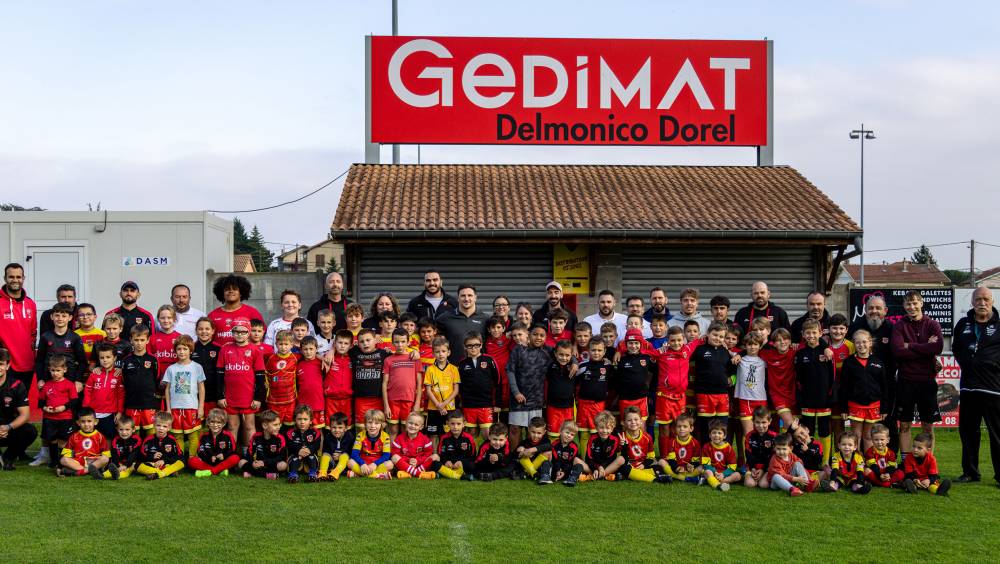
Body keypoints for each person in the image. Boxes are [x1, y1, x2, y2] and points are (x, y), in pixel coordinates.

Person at [953, 286, 1000, 484]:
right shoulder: (963, 323)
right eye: (978, 299)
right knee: (968, 432)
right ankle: (971, 472)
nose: (982, 303)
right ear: (972, 302)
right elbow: (956, 348)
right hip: (968, 388)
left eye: (986, 299)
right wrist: (967, 361)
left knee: (997, 434)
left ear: (992, 302)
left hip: (993, 389)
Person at [891, 291, 943, 456]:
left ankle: (928, 464)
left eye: (914, 303)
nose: (911, 307)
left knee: (927, 426)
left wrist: (910, 346)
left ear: (921, 303)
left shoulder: (933, 324)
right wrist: (924, 347)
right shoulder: (900, 325)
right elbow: (897, 351)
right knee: (904, 425)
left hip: (927, 382)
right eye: (908, 304)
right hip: (906, 381)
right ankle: (906, 464)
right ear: (904, 306)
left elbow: (937, 348)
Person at [849, 295, 898, 448]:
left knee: (888, 423)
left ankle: (890, 459)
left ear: (885, 310)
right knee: (859, 431)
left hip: (886, 386)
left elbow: (903, 350)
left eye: (878, 308)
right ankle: (860, 462)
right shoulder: (855, 326)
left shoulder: (893, 329)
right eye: (870, 308)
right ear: (865, 310)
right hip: (860, 389)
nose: (874, 311)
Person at [216, 318, 266, 447]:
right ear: (232, 333)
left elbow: (260, 376)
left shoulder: (255, 350)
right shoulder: (225, 349)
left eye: (243, 332)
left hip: (249, 397)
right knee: (232, 426)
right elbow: (219, 375)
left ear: (248, 332)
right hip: (230, 397)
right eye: (236, 331)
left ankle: (250, 454)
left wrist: (258, 397)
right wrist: (220, 396)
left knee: (249, 426)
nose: (239, 334)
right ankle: (230, 453)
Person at [796, 319, 835, 465]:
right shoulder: (800, 354)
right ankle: (810, 460)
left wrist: (831, 394)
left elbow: (833, 376)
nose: (811, 335)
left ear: (820, 333)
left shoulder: (827, 352)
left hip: (824, 399)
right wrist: (800, 396)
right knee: (808, 431)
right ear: (803, 334)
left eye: (814, 332)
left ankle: (825, 462)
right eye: (808, 333)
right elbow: (797, 378)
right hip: (807, 399)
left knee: (825, 430)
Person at [506, 324, 551, 452]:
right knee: (515, 430)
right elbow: (510, 371)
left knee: (534, 432)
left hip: (536, 399)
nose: (538, 338)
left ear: (545, 337)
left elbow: (566, 353)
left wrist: (574, 363)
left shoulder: (548, 351)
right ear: (529, 335)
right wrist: (516, 392)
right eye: (535, 334)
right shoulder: (518, 350)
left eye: (542, 335)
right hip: (519, 398)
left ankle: (531, 460)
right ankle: (515, 460)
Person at [840, 329, 886, 451]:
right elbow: (843, 386)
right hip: (855, 405)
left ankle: (869, 463)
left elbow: (884, 386)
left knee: (868, 436)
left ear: (870, 342)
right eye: (858, 342)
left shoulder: (878, 362)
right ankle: (857, 463)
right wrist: (843, 408)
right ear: (854, 344)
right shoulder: (849, 362)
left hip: (874, 405)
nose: (861, 345)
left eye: (864, 342)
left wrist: (884, 407)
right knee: (856, 436)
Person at [162, 335, 206, 460]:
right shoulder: (171, 369)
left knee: (193, 435)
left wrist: (201, 407)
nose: (182, 352)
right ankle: (179, 459)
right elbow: (167, 389)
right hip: (175, 408)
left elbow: (201, 388)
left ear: (190, 350)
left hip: (192, 407)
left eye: (185, 349)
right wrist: (168, 409)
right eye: (179, 349)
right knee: (177, 436)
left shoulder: (197, 367)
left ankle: (193, 458)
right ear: (175, 351)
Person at [691, 323, 735, 441]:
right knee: (705, 428)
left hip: (722, 394)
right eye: (715, 335)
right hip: (704, 394)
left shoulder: (726, 352)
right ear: (708, 334)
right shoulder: (699, 350)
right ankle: (705, 455)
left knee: (722, 427)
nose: (718, 338)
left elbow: (733, 370)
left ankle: (721, 455)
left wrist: (732, 379)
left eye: (721, 337)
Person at [652, 327, 691, 454]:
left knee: (677, 428)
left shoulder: (687, 350)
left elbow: (701, 340)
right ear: (667, 341)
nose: (676, 343)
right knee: (664, 428)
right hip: (664, 397)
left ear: (684, 339)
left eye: (679, 340)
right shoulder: (661, 353)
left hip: (680, 398)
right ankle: (664, 457)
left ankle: (675, 456)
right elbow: (643, 349)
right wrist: (620, 349)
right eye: (673, 340)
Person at [35, 301, 88, 389]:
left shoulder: (75, 337)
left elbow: (82, 362)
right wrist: (40, 379)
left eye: (64, 316)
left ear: (70, 318)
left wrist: (78, 380)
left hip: (70, 380)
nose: (60, 318)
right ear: (52, 317)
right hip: (48, 380)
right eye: (57, 315)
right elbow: (39, 361)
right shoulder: (45, 337)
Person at [0, 348, 37, 469]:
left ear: (7, 365)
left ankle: (8, 457)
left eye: (1, 364)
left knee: (29, 431)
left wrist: (8, 427)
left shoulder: (16, 385)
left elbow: (25, 415)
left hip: (8, 429)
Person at [120, 325, 159, 439]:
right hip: (132, 403)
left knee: (151, 433)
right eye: (136, 340)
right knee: (133, 434)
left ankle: (149, 455)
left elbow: (156, 377)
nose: (139, 343)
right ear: (131, 340)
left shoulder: (153, 360)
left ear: (148, 340)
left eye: (142, 340)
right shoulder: (126, 360)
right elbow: (124, 379)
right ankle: (135, 455)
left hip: (149, 403)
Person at [381, 329, 422, 437]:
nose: (400, 345)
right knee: (393, 430)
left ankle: (404, 453)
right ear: (392, 342)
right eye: (397, 342)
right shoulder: (388, 360)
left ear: (408, 342)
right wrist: (386, 406)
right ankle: (391, 454)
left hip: (409, 400)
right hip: (392, 400)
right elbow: (384, 383)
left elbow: (419, 383)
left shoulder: (414, 358)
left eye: (403, 342)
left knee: (406, 430)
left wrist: (417, 403)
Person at [39, 355, 78, 469]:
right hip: (50, 419)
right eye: (52, 370)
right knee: (52, 440)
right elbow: (41, 401)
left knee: (64, 441)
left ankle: (64, 461)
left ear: (64, 370)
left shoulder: (69, 384)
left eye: (58, 370)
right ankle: (53, 461)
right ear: (49, 370)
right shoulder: (47, 385)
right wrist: (45, 408)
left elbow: (74, 401)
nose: (55, 373)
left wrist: (64, 407)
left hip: (65, 418)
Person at [458, 332, 497, 442]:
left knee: (487, 433)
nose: (473, 348)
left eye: (476, 345)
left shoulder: (489, 360)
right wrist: (461, 401)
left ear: (481, 344)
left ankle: (487, 456)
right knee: (471, 433)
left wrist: (497, 403)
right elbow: (459, 385)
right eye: (469, 346)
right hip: (469, 404)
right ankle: (471, 456)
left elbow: (497, 381)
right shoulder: (462, 363)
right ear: (465, 347)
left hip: (486, 403)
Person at [436, 284, 488, 364]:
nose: (466, 299)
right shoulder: (445, 318)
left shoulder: (485, 319)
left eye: (470, 295)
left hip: (478, 369)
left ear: (475, 298)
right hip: (453, 369)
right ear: (458, 298)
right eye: (463, 296)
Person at [576, 338, 613, 448]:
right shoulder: (582, 366)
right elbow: (574, 383)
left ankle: (595, 459)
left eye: (599, 350)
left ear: (604, 351)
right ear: (588, 350)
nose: (596, 353)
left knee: (597, 433)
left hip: (598, 405)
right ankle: (584, 460)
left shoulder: (608, 366)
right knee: (583, 433)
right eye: (593, 350)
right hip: (583, 405)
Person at [208, 275, 264, 346]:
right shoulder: (213, 315)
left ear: (241, 293)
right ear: (222, 293)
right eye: (227, 289)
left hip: (245, 355)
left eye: (234, 289)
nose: (231, 291)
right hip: (219, 355)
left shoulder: (252, 313)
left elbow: (261, 335)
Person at [83, 343, 124, 439]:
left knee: (109, 437)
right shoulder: (94, 374)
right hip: (93, 414)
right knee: (92, 437)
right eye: (102, 358)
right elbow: (87, 392)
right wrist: (86, 410)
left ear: (114, 358)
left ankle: (108, 454)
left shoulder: (118, 375)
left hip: (109, 414)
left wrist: (120, 412)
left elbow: (121, 395)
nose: (105, 360)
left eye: (108, 357)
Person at [57, 407, 110, 478]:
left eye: (89, 421)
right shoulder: (74, 436)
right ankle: (90, 471)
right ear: (78, 423)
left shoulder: (100, 436)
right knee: (64, 460)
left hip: (93, 461)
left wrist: (102, 462)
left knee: (105, 458)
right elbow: (66, 453)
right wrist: (59, 467)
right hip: (78, 462)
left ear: (95, 422)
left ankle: (80, 472)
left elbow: (106, 453)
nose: (86, 424)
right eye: (83, 421)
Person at [734, 333, 768, 436]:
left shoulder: (764, 360)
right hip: (745, 399)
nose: (752, 347)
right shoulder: (739, 359)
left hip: (760, 398)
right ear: (745, 346)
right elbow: (725, 349)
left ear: (760, 346)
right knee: (748, 433)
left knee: (762, 431)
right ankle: (748, 452)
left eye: (755, 344)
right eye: (749, 344)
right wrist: (739, 354)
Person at [761, 328, 796, 428]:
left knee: (791, 427)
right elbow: (750, 349)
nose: (782, 342)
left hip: (794, 395)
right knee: (791, 425)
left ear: (790, 341)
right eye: (778, 340)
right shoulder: (767, 354)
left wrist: (825, 348)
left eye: (785, 339)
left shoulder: (795, 352)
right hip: (778, 396)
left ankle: (786, 444)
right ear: (774, 343)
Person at [189, 408, 240, 478]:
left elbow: (232, 450)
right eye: (212, 422)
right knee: (192, 460)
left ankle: (210, 471)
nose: (215, 425)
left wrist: (224, 455)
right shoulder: (203, 436)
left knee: (235, 458)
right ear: (208, 423)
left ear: (224, 424)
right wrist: (209, 458)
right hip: (208, 462)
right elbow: (200, 451)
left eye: (218, 422)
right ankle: (219, 471)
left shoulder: (228, 435)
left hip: (223, 462)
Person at [238, 410, 287, 479]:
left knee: (283, 465)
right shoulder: (256, 437)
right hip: (257, 464)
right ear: (264, 425)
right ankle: (268, 475)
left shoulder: (280, 438)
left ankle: (253, 473)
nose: (278, 427)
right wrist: (252, 463)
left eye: (279, 424)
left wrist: (264, 462)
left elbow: (281, 457)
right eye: (275, 425)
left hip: (271, 464)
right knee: (241, 462)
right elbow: (250, 453)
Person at [136, 411, 185, 480]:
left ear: (169, 428)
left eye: (164, 426)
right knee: (137, 465)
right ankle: (167, 472)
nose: (161, 428)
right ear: (154, 425)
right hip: (153, 465)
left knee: (181, 462)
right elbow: (141, 457)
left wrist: (164, 461)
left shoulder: (172, 440)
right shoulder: (148, 440)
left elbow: (179, 456)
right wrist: (152, 456)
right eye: (158, 425)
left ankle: (158, 474)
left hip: (167, 464)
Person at [347, 408, 393, 479]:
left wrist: (375, 464)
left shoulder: (385, 436)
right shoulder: (360, 435)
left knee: (390, 464)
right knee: (350, 462)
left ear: (382, 425)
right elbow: (354, 454)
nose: (372, 426)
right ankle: (378, 475)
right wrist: (362, 464)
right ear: (365, 423)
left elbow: (386, 456)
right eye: (370, 422)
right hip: (363, 462)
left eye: (376, 423)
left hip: (377, 463)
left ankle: (358, 474)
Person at [264, 330, 298, 428]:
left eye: (286, 344)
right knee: (274, 425)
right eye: (281, 344)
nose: (283, 347)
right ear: (276, 344)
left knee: (289, 426)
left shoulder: (295, 358)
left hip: (290, 400)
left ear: (292, 344)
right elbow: (266, 374)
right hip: (273, 400)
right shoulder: (271, 359)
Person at [579, 411, 624, 482]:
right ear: (596, 428)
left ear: (612, 429)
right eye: (601, 428)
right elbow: (588, 458)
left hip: (607, 466)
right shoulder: (592, 438)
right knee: (576, 460)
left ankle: (594, 476)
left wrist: (602, 467)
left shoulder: (614, 439)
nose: (604, 431)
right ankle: (604, 475)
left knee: (621, 459)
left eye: (607, 428)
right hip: (593, 466)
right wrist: (596, 468)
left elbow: (612, 457)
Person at [431, 410, 477, 480]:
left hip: (461, 465)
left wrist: (462, 462)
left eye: (458, 424)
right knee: (434, 463)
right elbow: (440, 454)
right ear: (447, 423)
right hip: (448, 465)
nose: (455, 427)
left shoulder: (469, 438)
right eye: (452, 424)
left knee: (472, 466)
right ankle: (459, 476)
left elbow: (473, 456)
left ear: (464, 424)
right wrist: (445, 461)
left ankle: (445, 473)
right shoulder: (444, 438)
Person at [390, 411, 436, 479]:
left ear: (421, 427)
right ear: (406, 423)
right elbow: (395, 453)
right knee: (394, 457)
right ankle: (418, 473)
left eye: (416, 425)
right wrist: (408, 460)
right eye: (410, 423)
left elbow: (428, 454)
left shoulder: (425, 439)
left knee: (435, 456)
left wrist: (417, 461)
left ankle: (411, 473)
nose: (412, 426)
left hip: (420, 464)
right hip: (405, 464)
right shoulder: (399, 438)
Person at [539, 420, 584, 486]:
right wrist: (558, 470)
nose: (569, 436)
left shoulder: (574, 447)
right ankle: (545, 477)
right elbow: (555, 460)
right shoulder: (554, 444)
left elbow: (570, 462)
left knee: (579, 466)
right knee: (546, 462)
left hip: (567, 471)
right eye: (567, 432)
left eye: (572, 434)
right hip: (555, 470)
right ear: (560, 431)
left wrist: (564, 472)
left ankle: (572, 479)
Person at [284, 405, 322, 483]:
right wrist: (299, 450)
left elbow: (316, 445)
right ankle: (293, 474)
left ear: (311, 421)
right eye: (299, 419)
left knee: (312, 457)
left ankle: (312, 474)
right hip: (296, 455)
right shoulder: (290, 433)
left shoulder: (315, 432)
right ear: (295, 420)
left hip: (310, 454)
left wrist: (309, 449)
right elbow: (290, 445)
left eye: (305, 419)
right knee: (295, 458)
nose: (302, 422)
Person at [701, 418, 741, 491]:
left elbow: (732, 466)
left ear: (724, 436)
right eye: (714, 432)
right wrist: (715, 472)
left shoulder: (729, 448)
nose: (716, 435)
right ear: (710, 435)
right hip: (712, 472)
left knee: (737, 475)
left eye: (719, 433)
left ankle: (715, 481)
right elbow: (706, 464)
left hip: (724, 473)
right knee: (707, 472)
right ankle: (718, 485)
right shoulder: (706, 447)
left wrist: (723, 474)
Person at [324, 331, 355, 426]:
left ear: (350, 346)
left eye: (346, 343)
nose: (342, 346)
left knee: (347, 426)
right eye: (340, 343)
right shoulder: (329, 357)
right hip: (331, 399)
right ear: (334, 344)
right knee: (331, 426)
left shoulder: (353, 358)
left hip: (347, 399)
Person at [660, 414, 702, 483]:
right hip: (675, 467)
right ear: (675, 428)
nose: (681, 429)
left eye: (685, 426)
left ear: (691, 429)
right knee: (661, 461)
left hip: (688, 469)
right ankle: (680, 477)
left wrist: (691, 466)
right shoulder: (672, 442)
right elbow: (671, 460)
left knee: (702, 468)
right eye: (679, 426)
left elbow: (696, 460)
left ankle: (676, 476)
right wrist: (677, 468)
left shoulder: (695, 443)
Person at [295, 337, 326, 428]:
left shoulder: (321, 363)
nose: (308, 352)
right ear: (301, 350)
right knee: (303, 429)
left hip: (318, 403)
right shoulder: (298, 364)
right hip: (302, 404)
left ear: (316, 349)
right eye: (305, 349)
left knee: (318, 430)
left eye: (311, 349)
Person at [743, 407, 777, 489]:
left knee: (764, 485)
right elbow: (748, 454)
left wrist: (763, 470)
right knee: (750, 484)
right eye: (757, 422)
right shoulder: (749, 436)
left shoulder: (774, 437)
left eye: (764, 422)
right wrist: (753, 468)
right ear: (753, 422)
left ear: (769, 422)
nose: (761, 425)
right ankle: (746, 475)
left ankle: (765, 476)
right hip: (752, 466)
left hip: (767, 467)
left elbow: (773, 456)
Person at [864, 423, 904, 489]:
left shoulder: (891, 453)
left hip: (886, 474)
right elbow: (873, 466)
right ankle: (889, 484)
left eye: (882, 439)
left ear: (888, 440)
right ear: (872, 440)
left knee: (901, 473)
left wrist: (888, 474)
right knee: (866, 471)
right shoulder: (870, 452)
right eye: (876, 440)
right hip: (876, 473)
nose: (879, 442)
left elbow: (891, 466)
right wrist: (880, 475)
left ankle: (880, 483)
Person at [319, 412, 355, 480]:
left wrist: (340, 455)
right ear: (330, 427)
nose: (337, 430)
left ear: (346, 428)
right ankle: (322, 472)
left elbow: (352, 452)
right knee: (325, 455)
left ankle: (336, 472)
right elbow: (326, 450)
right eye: (334, 427)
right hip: (332, 463)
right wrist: (331, 455)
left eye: (340, 427)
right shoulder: (328, 437)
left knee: (345, 456)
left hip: (344, 464)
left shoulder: (350, 437)